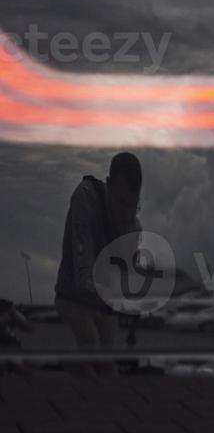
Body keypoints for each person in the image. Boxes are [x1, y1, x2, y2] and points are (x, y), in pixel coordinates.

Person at [54, 152, 142, 354]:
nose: (126, 215)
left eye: (133, 206)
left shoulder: (134, 227)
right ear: (108, 185)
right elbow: (83, 281)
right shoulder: (86, 198)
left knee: (108, 362)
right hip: (71, 298)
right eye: (121, 203)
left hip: (104, 305)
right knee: (91, 344)